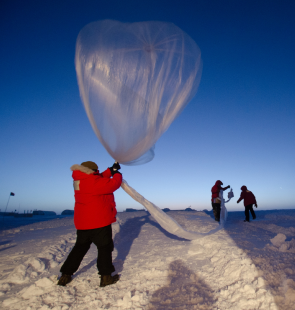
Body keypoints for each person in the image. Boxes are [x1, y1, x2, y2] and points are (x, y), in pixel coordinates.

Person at [57, 161, 122, 287]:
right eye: (96, 171)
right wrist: (117, 174)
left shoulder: (79, 180)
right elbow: (113, 184)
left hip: (83, 223)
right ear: (92, 171)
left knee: (79, 249)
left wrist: (110, 170)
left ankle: (65, 275)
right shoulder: (94, 182)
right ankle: (106, 277)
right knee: (104, 248)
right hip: (99, 222)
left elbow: (97, 179)